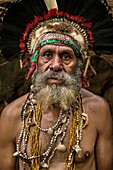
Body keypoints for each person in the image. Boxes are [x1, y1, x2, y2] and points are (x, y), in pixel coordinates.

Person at [0, 0, 113, 170]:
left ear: (79, 64)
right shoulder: (12, 116)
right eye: (47, 55)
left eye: (66, 56)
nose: (55, 65)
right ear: (34, 62)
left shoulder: (98, 111)